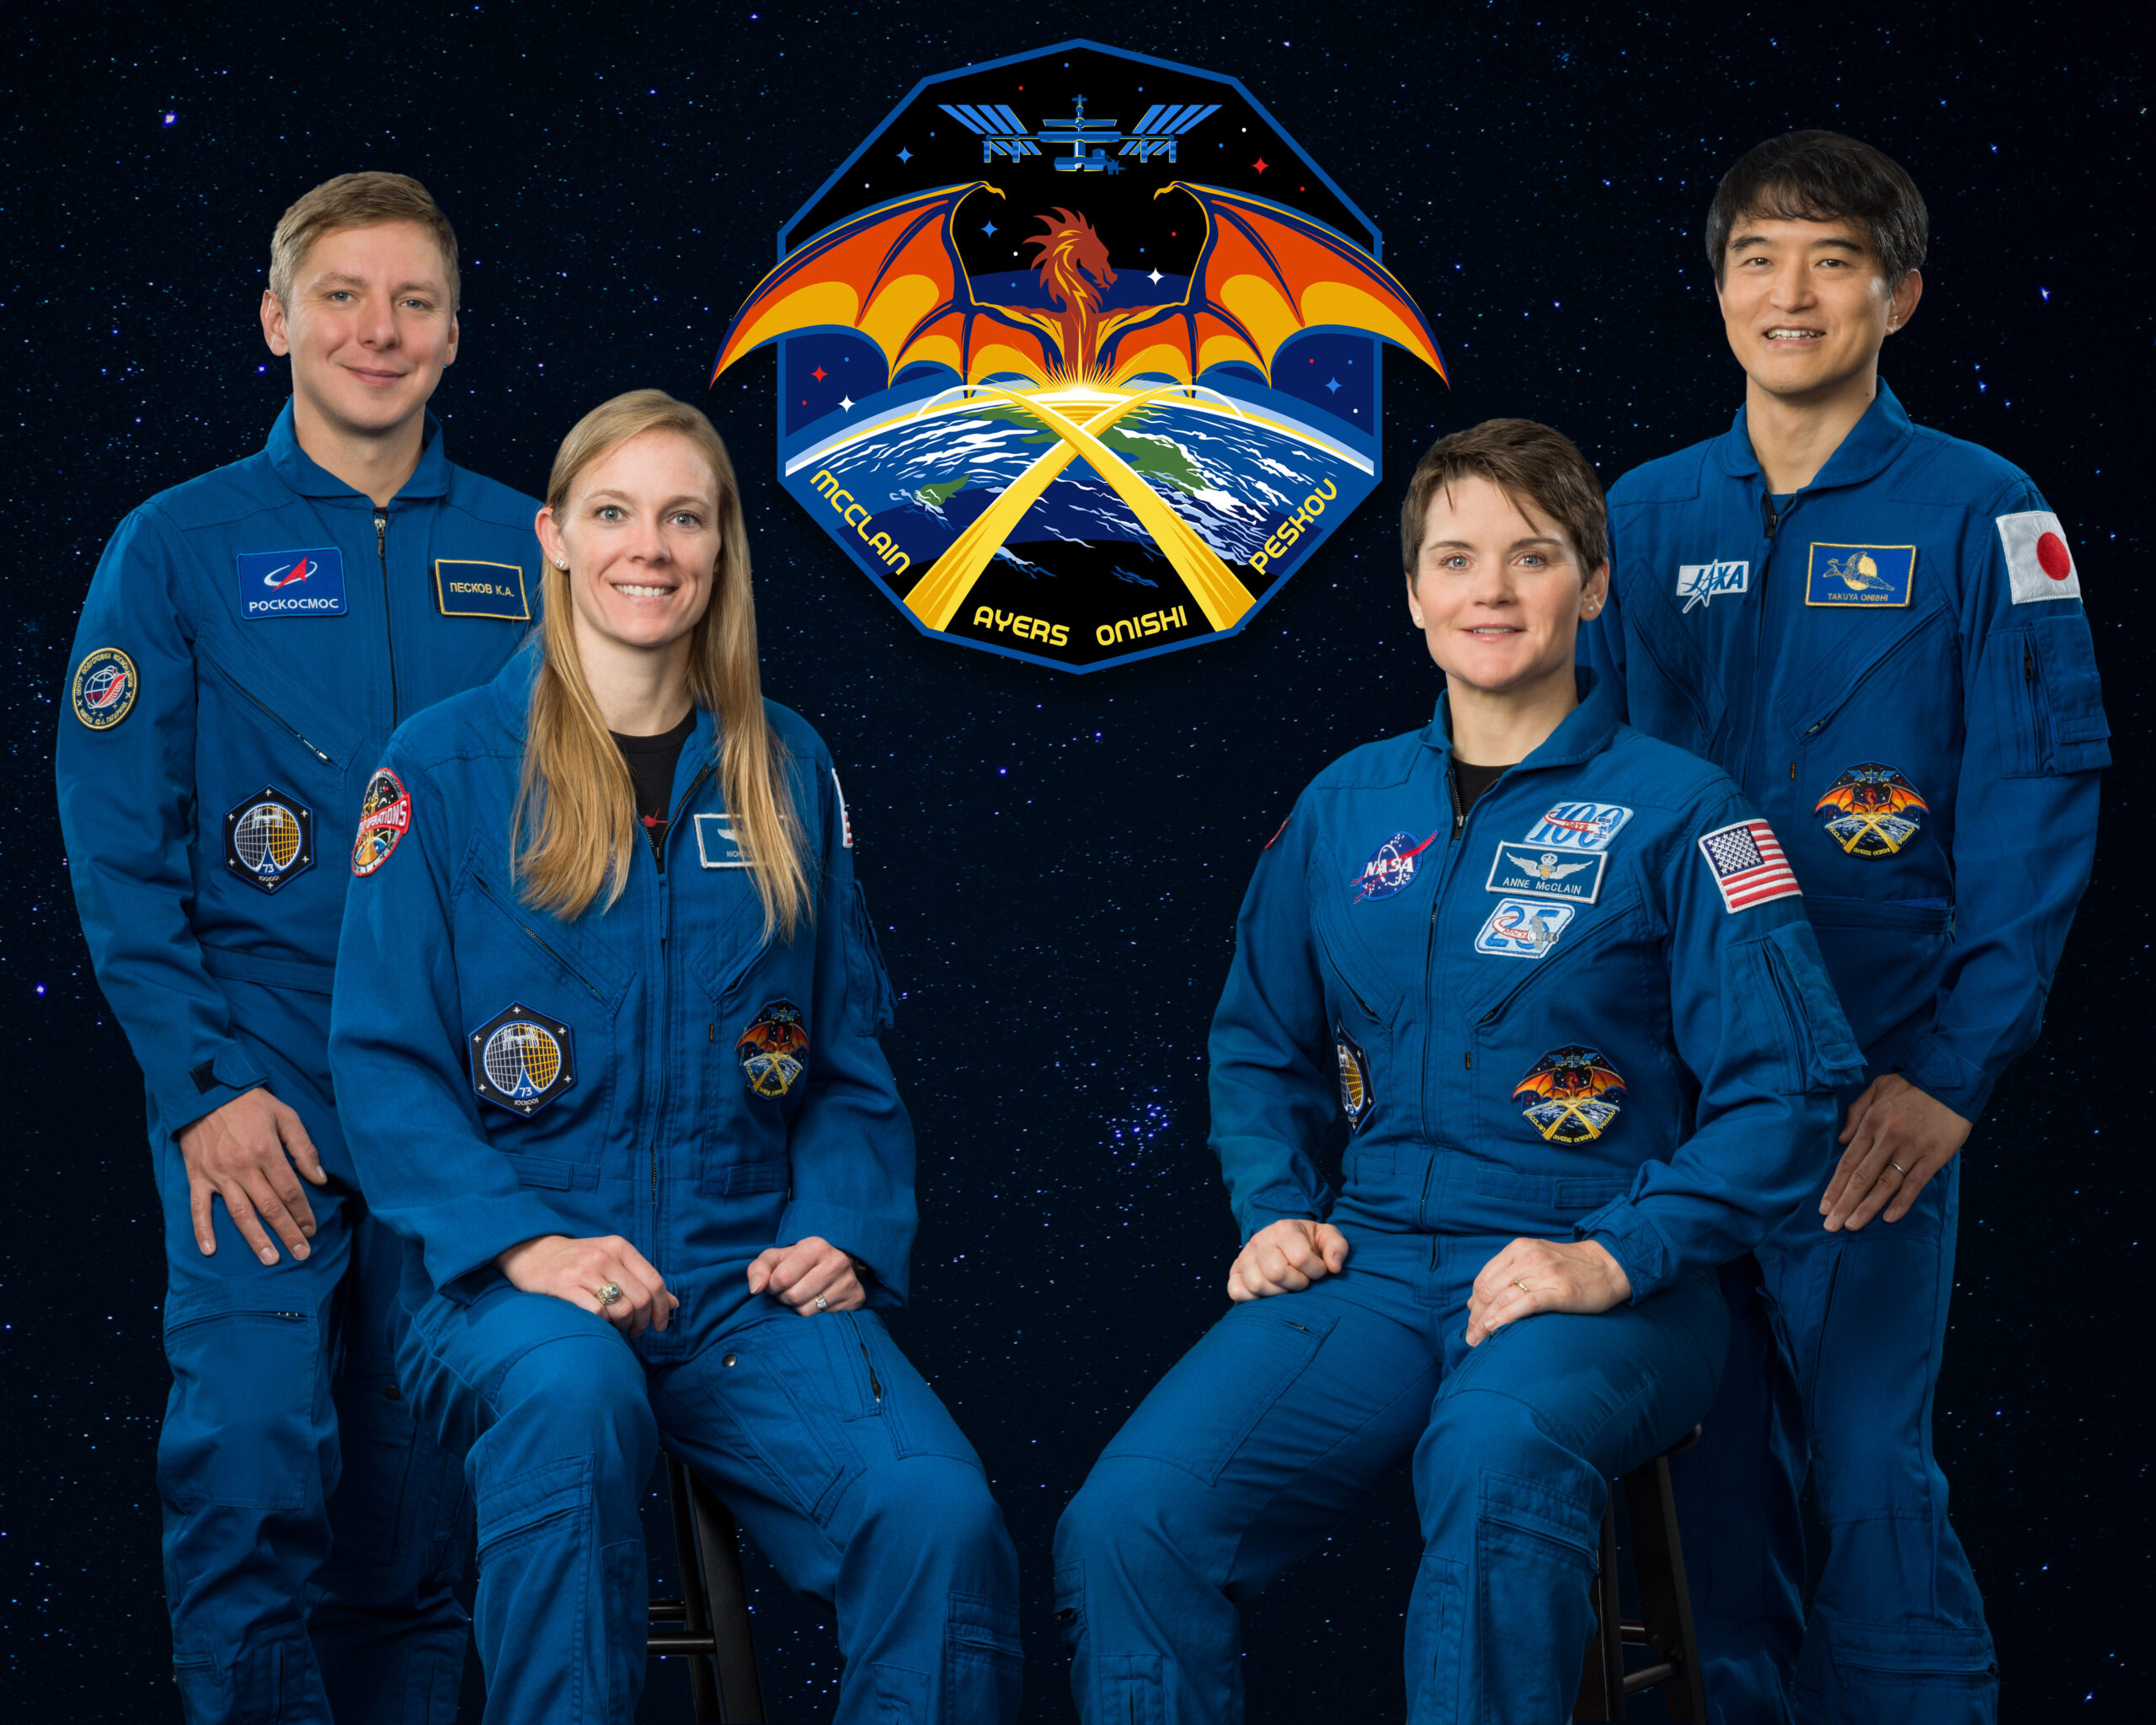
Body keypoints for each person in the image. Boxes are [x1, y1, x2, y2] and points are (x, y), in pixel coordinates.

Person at [1053, 419, 1864, 1722]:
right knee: (1132, 1519)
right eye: (1458, 559)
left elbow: (1790, 1094)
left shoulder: (1687, 815)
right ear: (1418, 592)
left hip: (1606, 1280)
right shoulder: (1345, 807)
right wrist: (1273, 1211)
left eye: (1533, 557)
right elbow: (1260, 1039)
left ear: (1593, 587)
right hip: (1374, 1265)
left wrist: (1617, 1255)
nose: (1492, 590)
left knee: (1492, 1464)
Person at [326, 389, 1023, 1724]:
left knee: (938, 1519)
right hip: (511, 1288)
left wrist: (843, 1229)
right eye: (615, 514)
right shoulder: (446, 766)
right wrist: (527, 1246)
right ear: (555, 537)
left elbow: (847, 1056)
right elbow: (384, 1067)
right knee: (578, 1404)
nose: (650, 548)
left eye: (684, 518)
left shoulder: (787, 769)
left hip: (739, 1277)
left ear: (719, 551)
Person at [1585, 131, 2110, 1724]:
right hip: (1676, 1105)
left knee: (1874, 1474)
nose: (1788, 292)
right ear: (1720, 289)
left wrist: (1952, 1073)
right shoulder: (1646, 513)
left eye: (1829, 259)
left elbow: (2042, 797)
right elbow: (1581, 791)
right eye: (1757, 258)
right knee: (1705, 1490)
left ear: (1900, 294)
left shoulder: (1983, 513)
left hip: (1870, 1089)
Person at [56, 172, 540, 1723]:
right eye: (340, 295)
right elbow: (120, 848)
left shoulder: (539, 553)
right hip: (256, 1069)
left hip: (463, 1091)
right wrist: (201, 1087)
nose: (375, 330)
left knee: (419, 1508)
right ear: (277, 321)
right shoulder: (181, 547)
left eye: (412, 300)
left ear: (456, 332)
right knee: (253, 1458)